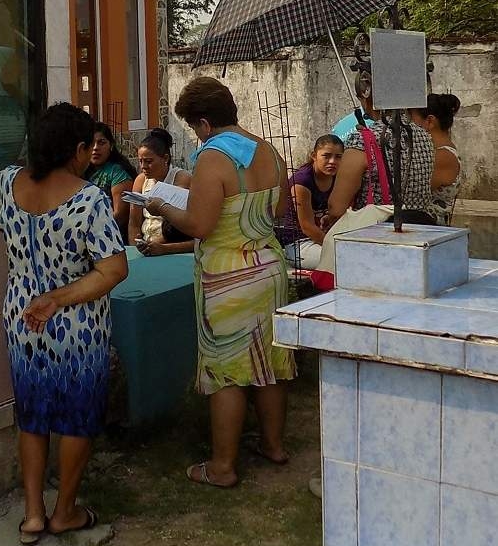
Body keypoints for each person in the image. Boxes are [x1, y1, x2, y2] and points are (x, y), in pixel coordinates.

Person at [145, 77, 296, 488]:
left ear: (204, 123)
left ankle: (223, 466)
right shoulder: (268, 149)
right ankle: (273, 445)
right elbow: (282, 208)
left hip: (228, 274)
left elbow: (199, 224)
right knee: (270, 362)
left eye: (194, 127)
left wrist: (161, 207)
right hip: (269, 266)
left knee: (227, 369)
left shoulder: (211, 157)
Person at [0, 103, 128, 545]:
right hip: (75, 324)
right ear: (78, 148)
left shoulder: (5, 184)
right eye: (89, 146)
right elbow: (113, 270)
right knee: (76, 416)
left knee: (31, 414)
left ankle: (33, 515)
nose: (92, 154)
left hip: (20, 317)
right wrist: (57, 297)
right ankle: (64, 512)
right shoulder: (88, 199)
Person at [328, 67, 436, 225]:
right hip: (419, 231)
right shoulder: (425, 137)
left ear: (367, 94)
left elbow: (336, 207)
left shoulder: (361, 141)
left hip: (377, 235)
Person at [279, 134, 344, 270]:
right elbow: (307, 227)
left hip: (325, 238)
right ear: (314, 155)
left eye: (338, 157)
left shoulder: (337, 176)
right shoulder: (302, 182)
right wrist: (333, 245)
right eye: (326, 156)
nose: (332, 161)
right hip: (299, 245)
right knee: (341, 261)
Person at [128, 127, 193, 256]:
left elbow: (174, 229)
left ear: (165, 158)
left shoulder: (181, 179)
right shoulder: (141, 180)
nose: (143, 166)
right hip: (146, 246)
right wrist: (136, 247)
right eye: (140, 161)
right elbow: (134, 222)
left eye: (149, 161)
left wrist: (159, 247)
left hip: (172, 245)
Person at [409, 93, 462, 225]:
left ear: (430, 121)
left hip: (430, 229)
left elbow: (412, 191)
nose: (409, 125)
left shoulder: (443, 156)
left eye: (412, 119)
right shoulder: (436, 152)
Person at [87, 122, 136, 244]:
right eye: (91, 143)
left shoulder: (117, 171)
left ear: (111, 146)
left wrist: (92, 233)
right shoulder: (82, 171)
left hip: (112, 238)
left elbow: (120, 215)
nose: (95, 148)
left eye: (101, 143)